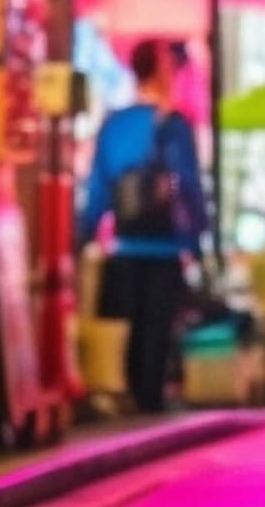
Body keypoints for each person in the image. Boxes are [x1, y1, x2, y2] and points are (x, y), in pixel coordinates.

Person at [79, 39, 208, 414]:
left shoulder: (115, 124)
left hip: (125, 244)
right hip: (164, 244)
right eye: (171, 66)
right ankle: (150, 397)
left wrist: (86, 232)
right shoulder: (174, 125)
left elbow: (99, 187)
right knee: (158, 323)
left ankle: (132, 391)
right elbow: (188, 185)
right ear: (160, 70)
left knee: (129, 324)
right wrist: (196, 238)